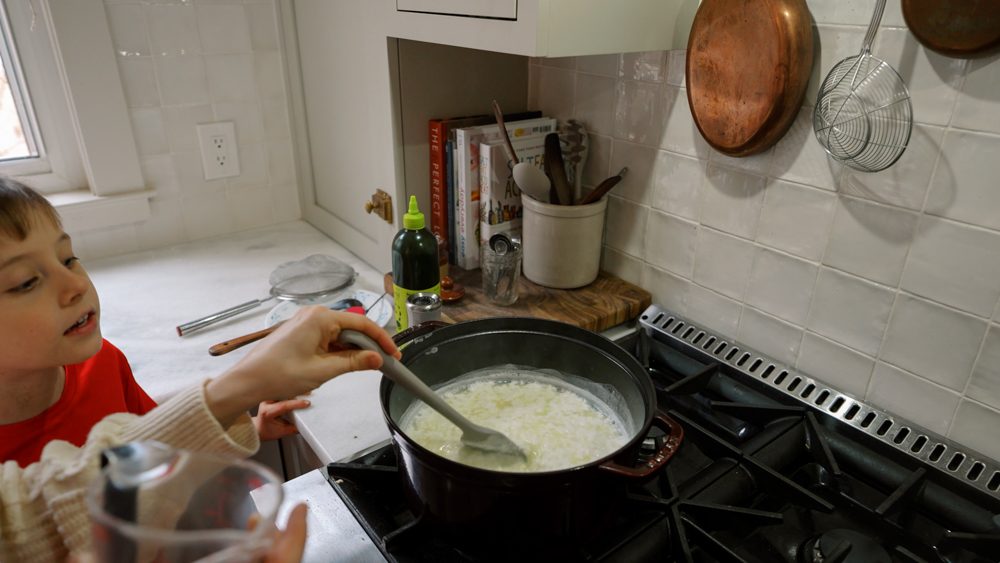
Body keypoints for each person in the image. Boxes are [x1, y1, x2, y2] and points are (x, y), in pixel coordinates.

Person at [0, 179, 309, 467]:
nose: (76, 285)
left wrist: (253, 428)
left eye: (67, 259)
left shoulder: (103, 362)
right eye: (26, 282)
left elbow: (157, 450)